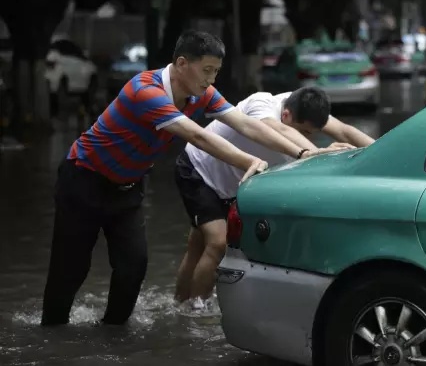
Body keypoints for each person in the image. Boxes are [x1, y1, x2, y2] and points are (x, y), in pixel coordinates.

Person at [41, 30, 345, 326]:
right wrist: (250, 160)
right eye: (207, 70)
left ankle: (111, 334)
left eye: (216, 72)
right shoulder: (144, 90)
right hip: (84, 180)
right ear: (182, 64)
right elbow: (198, 136)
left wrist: (303, 153)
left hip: (128, 188)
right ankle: (52, 333)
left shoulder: (203, 94)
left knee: (133, 266)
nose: (211, 79)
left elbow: (246, 125)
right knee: (71, 268)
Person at [174, 87, 375, 305]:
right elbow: (277, 128)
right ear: (286, 115)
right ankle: (197, 311)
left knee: (198, 246)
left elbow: (345, 131)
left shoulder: (305, 109)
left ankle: (180, 305)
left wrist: (386, 152)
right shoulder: (262, 104)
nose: (308, 137)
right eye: (305, 132)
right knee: (218, 244)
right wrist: (313, 154)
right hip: (199, 167)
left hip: (229, 184)